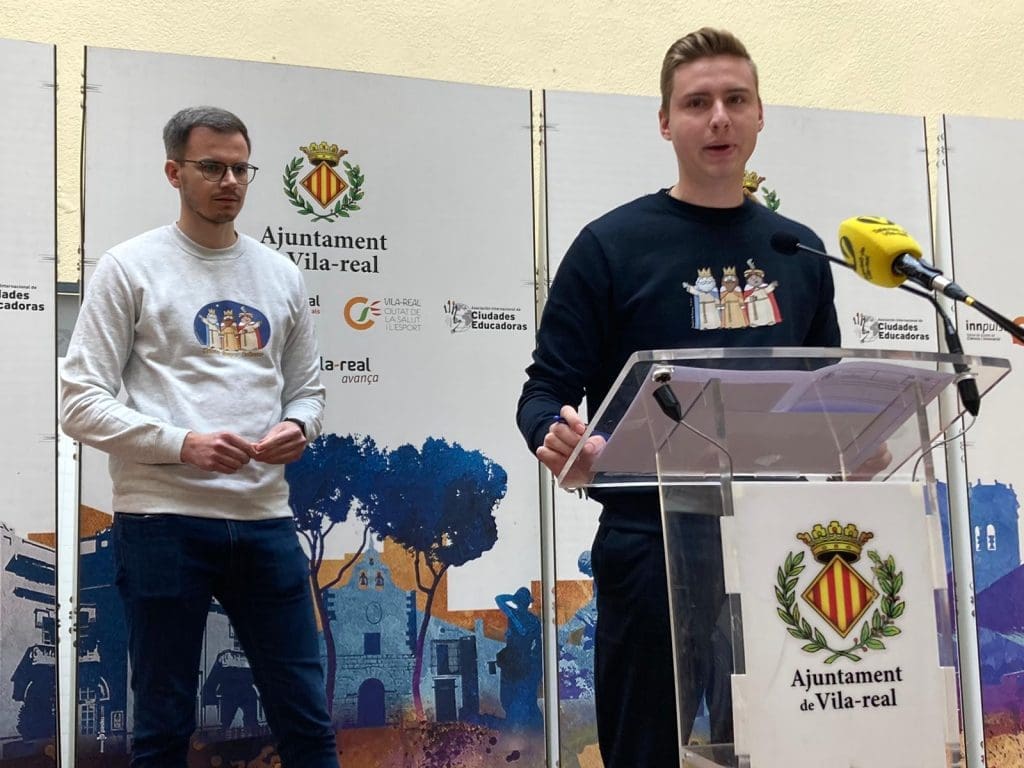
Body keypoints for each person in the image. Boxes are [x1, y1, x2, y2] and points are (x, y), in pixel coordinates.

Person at [516, 28, 842, 767]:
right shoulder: (611, 246)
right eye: (697, 103)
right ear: (665, 122)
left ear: (760, 115)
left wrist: (856, 438)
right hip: (649, 543)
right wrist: (556, 435)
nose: (719, 117)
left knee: (775, 748)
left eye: (736, 99)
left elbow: (825, 393)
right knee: (645, 750)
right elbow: (546, 388)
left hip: (778, 544)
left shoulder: (798, 252)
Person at [60, 106, 338, 768]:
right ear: (174, 172)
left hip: (266, 521)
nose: (230, 182)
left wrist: (299, 426)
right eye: (212, 167)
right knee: (162, 728)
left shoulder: (281, 274)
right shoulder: (129, 267)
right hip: (162, 522)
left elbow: (309, 391)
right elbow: (79, 404)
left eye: (241, 169)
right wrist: (184, 444)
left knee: (308, 723)